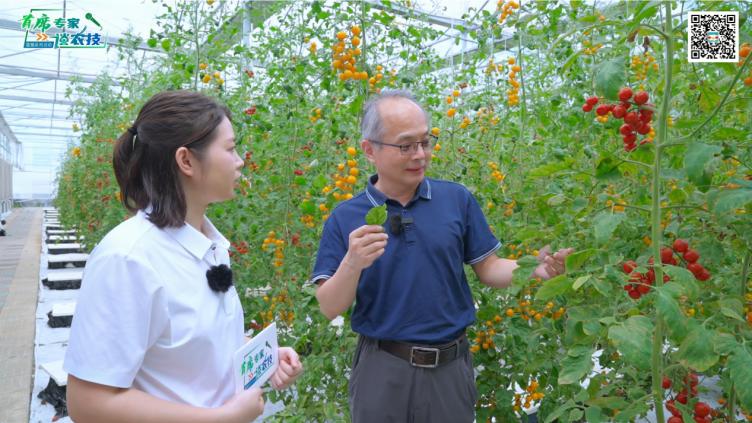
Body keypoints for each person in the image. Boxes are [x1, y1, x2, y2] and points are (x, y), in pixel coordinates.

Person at [310, 89, 572, 423]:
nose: (420, 154)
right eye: (406, 146)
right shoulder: (346, 217)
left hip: (448, 371)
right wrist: (353, 262)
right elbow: (329, 306)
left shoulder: (455, 200)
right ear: (369, 150)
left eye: (425, 142)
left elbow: (489, 267)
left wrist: (535, 268)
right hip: (383, 370)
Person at [64, 90, 303, 423]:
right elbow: (89, 403)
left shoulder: (209, 246)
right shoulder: (128, 259)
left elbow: (194, 343)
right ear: (186, 161)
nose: (240, 161)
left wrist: (266, 356)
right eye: (230, 149)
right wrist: (223, 418)